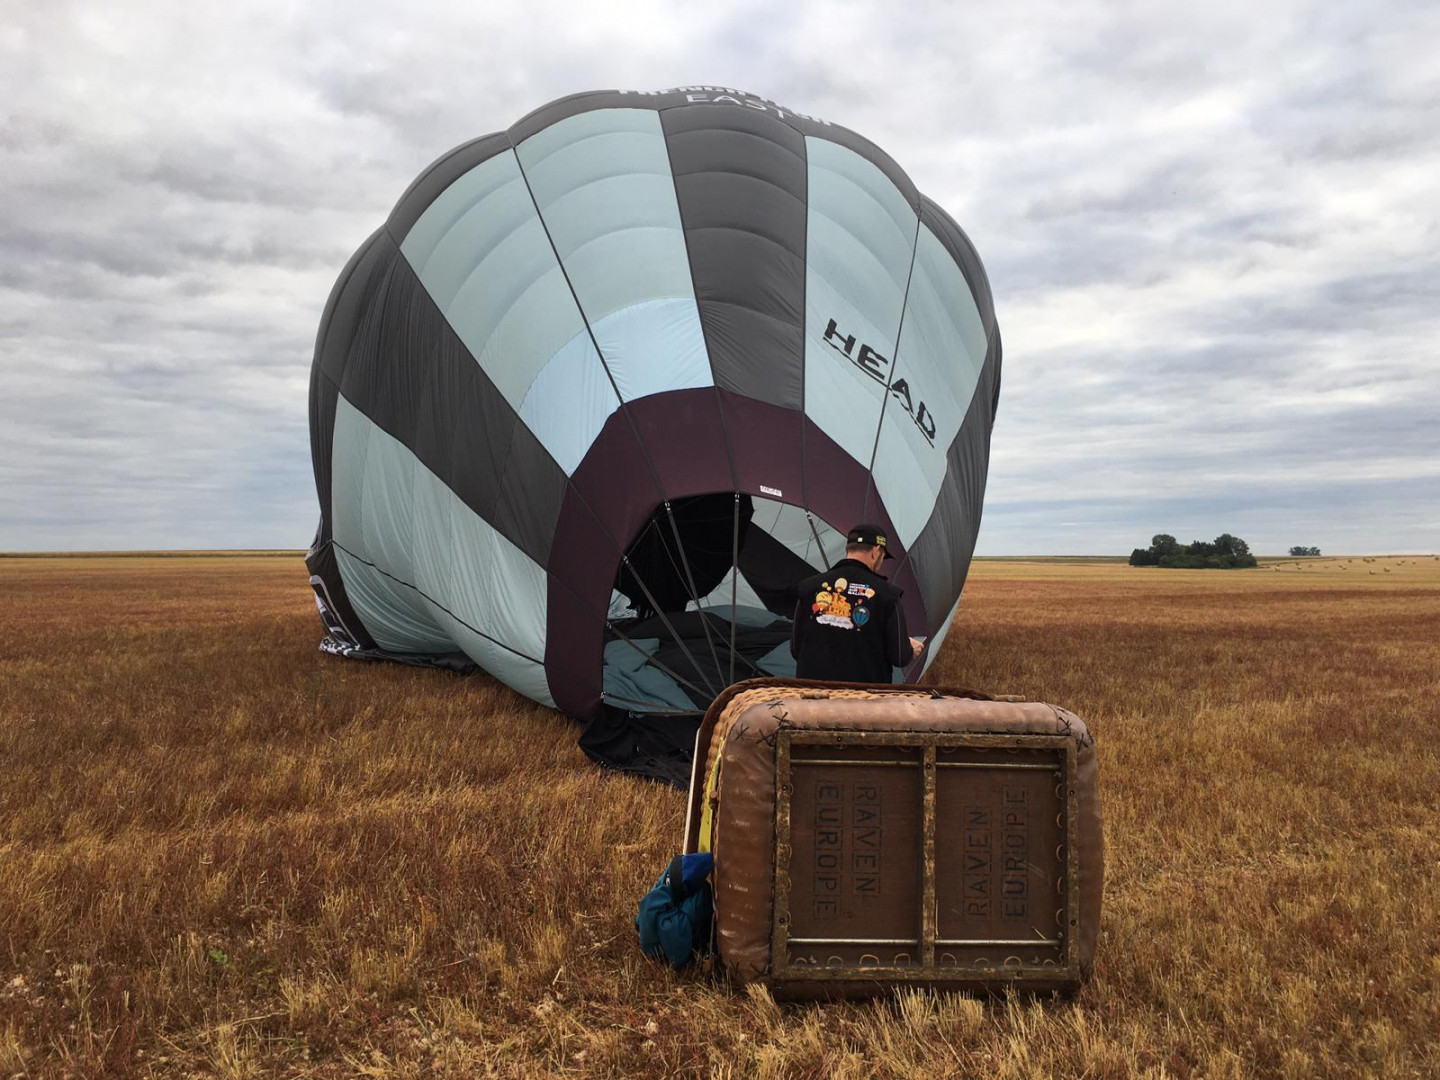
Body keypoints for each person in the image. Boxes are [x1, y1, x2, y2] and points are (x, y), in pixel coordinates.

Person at [790, 524, 925, 683]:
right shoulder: (888, 595)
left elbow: (795, 649)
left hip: (812, 693)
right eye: (882, 557)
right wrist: (909, 648)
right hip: (863, 695)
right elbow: (900, 657)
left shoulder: (808, 587)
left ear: (848, 549)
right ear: (875, 552)